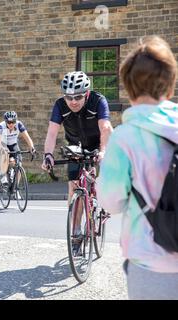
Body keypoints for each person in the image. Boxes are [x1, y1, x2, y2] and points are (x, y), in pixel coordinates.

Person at [96, 35, 178, 299]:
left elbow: (111, 202)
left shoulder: (124, 138)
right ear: (170, 87)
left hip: (150, 261)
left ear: (128, 89)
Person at [41, 71, 113, 254]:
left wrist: (103, 151)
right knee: (74, 187)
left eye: (78, 97)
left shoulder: (98, 101)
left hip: (99, 143)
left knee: (104, 169)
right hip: (76, 146)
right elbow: (51, 132)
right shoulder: (60, 105)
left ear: (86, 93)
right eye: (69, 97)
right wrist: (48, 155)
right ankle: (76, 233)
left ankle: (105, 199)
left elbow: (104, 127)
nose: (73, 101)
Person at [0, 111, 36, 190]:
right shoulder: (0, 126)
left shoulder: (19, 125)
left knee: (19, 164)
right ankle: (3, 176)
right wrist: (2, 150)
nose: (11, 124)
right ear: (5, 121)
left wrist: (32, 148)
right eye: (9, 122)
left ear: (15, 121)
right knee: (5, 154)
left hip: (13, 144)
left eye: (13, 122)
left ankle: (15, 188)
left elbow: (27, 138)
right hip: (2, 144)